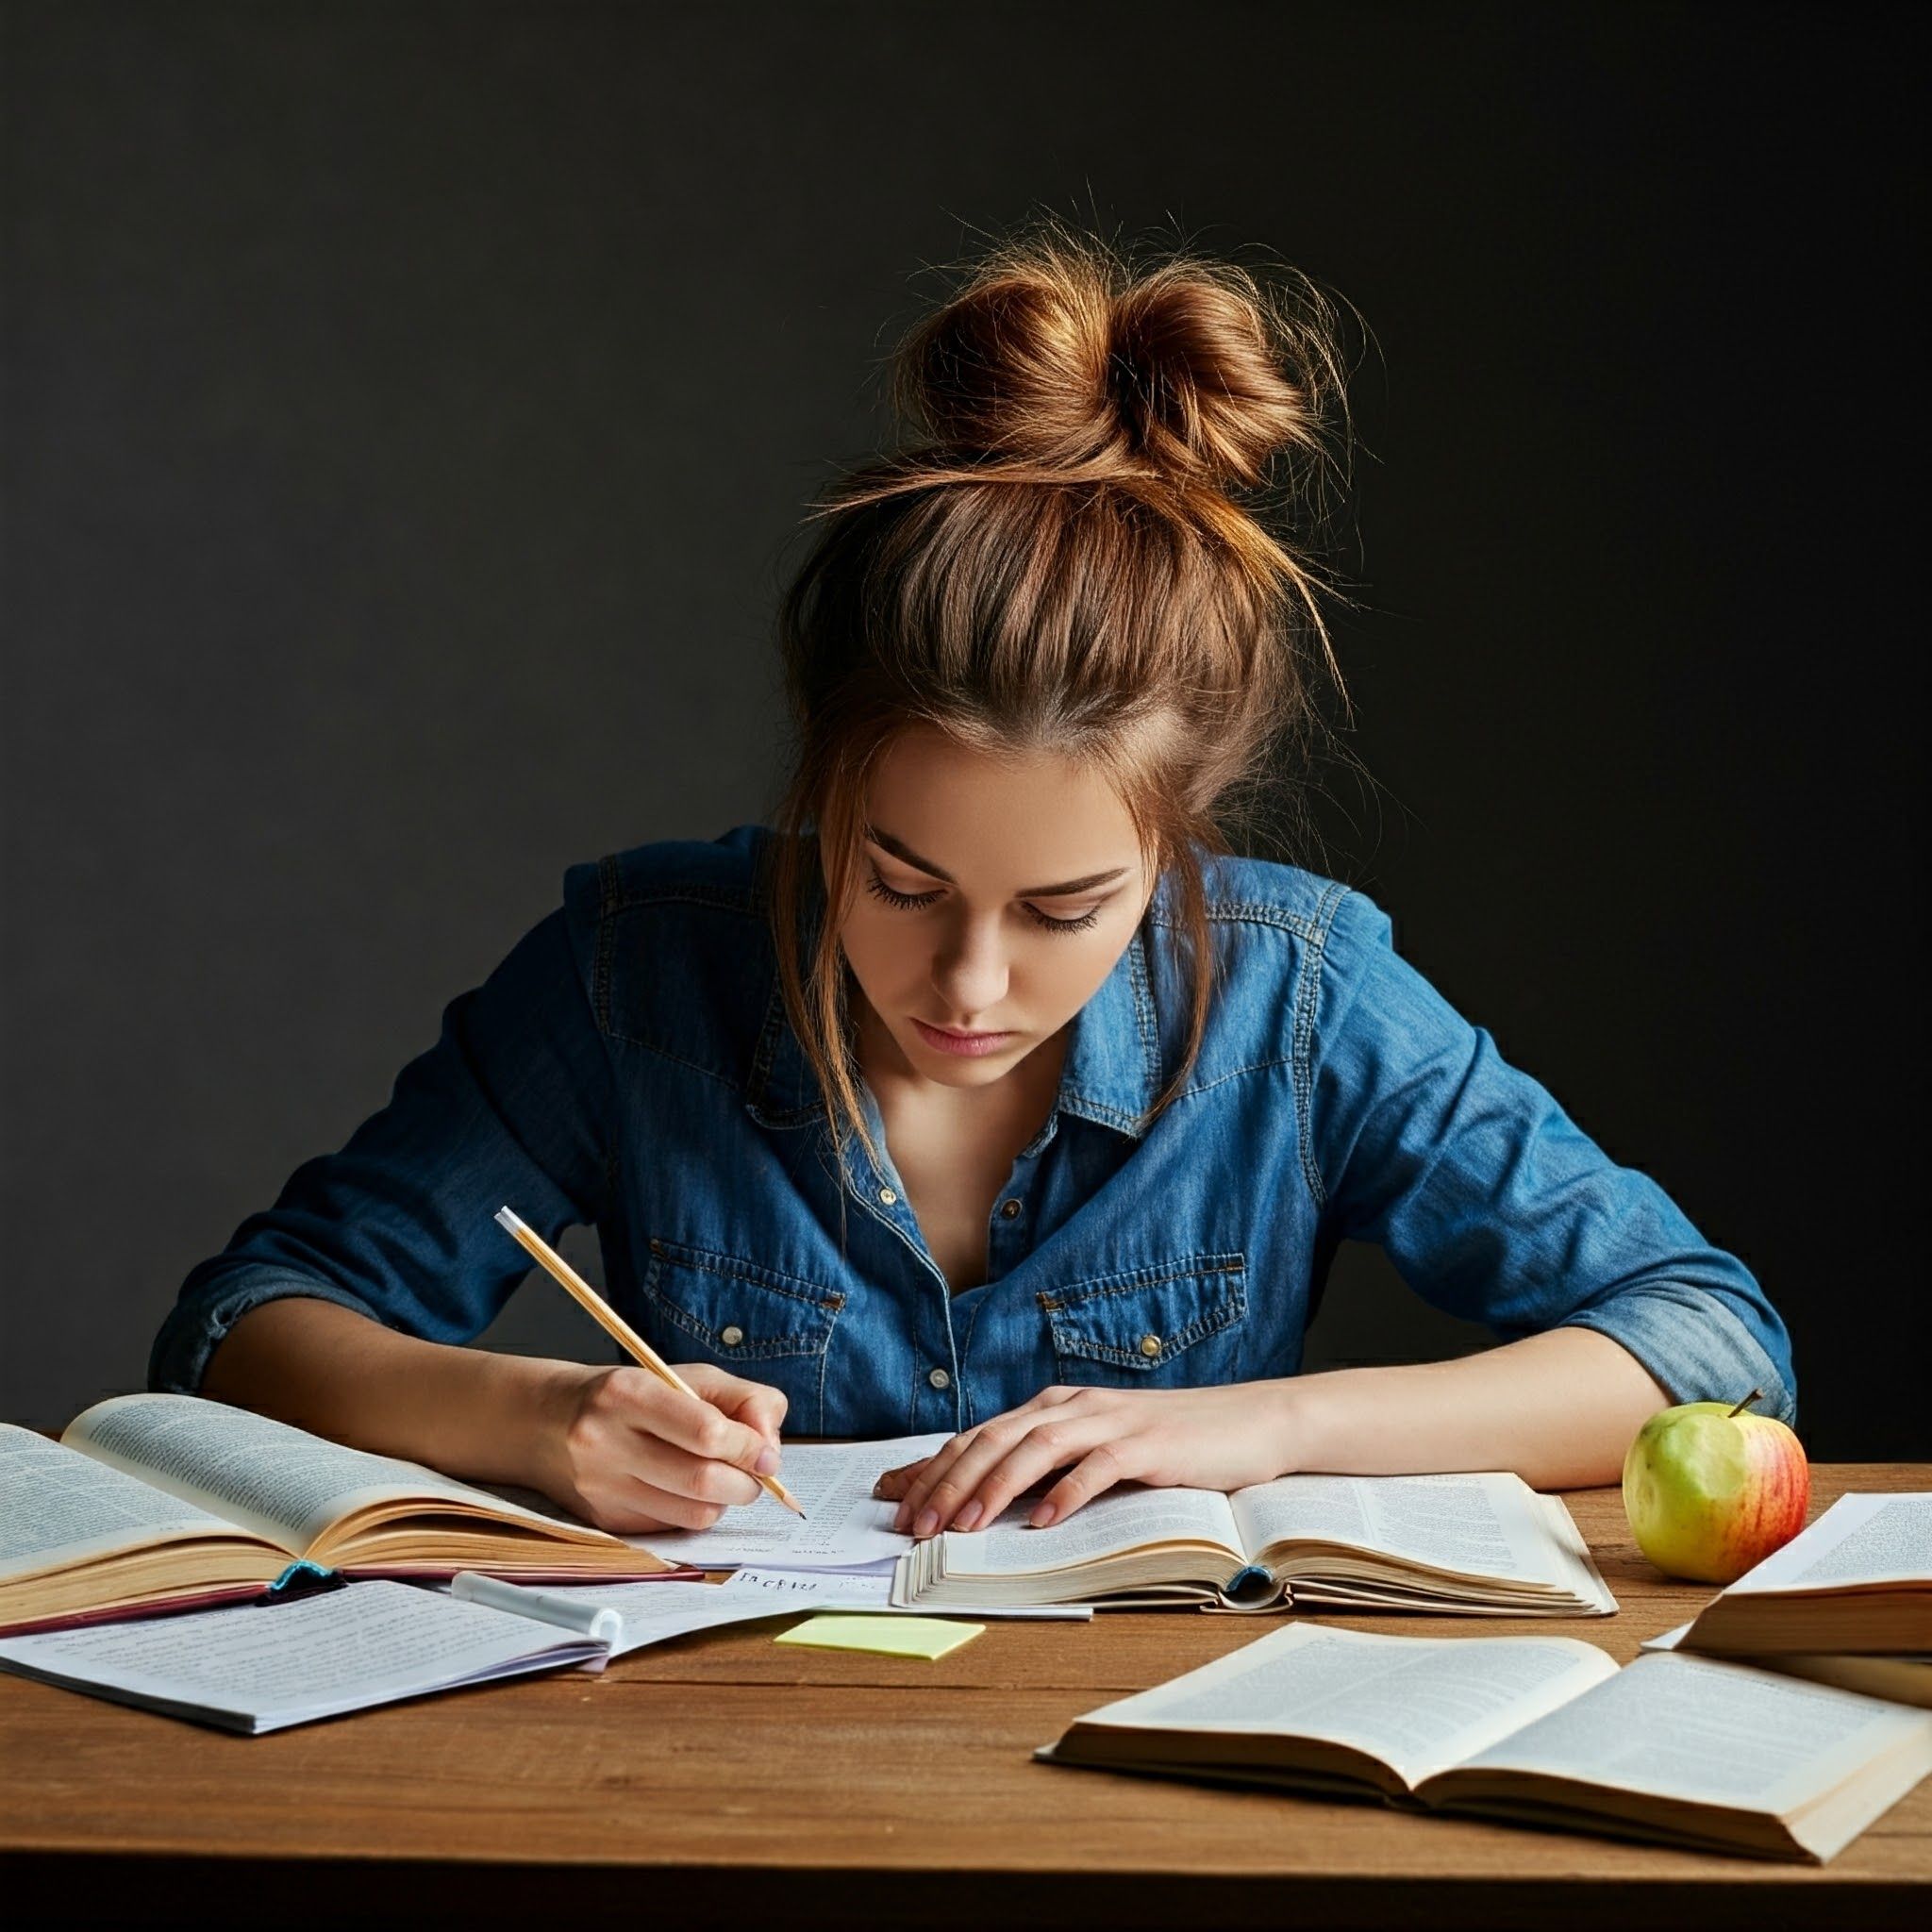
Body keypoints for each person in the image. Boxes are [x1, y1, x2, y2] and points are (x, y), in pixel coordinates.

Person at [149, 220, 1795, 1543]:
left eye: (1068, 911)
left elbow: (1713, 1348)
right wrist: (535, 1417)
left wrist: (1260, 1429)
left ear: (1176, 840)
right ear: (824, 782)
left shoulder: (1304, 995)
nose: (969, 987)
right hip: (726, 1767)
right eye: (901, 882)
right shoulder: (637, 971)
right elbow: (238, 1329)